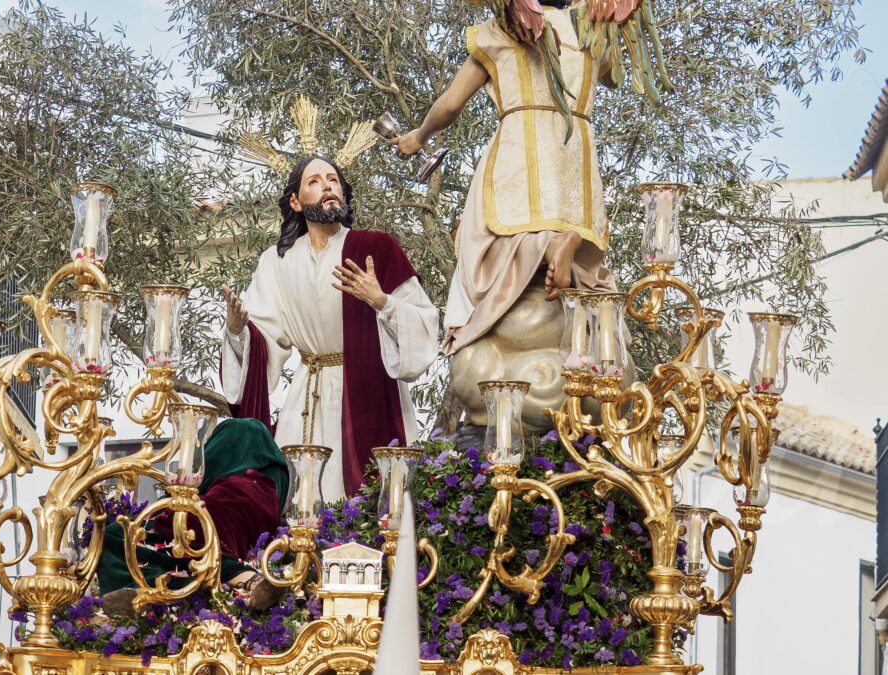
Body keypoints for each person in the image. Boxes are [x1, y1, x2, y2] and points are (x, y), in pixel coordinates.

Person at [391, 0, 621, 355]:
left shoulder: (503, 28)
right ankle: (561, 254)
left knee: (483, 242)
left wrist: (419, 136)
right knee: (581, 268)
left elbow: (451, 103)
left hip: (521, 152)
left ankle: (550, 247)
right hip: (577, 163)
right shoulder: (589, 32)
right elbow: (614, 78)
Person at [220, 155, 440, 501]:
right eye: (314, 181)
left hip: (367, 401)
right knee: (297, 504)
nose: (327, 187)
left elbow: (425, 323)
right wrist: (238, 332)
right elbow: (263, 339)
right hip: (306, 398)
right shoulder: (276, 262)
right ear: (295, 202)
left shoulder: (376, 248)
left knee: (369, 506)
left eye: (333, 179)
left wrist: (382, 302)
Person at [97, 418, 290, 611]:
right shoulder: (275, 479)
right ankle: (249, 581)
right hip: (250, 536)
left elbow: (196, 478)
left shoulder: (241, 432)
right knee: (204, 551)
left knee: (117, 534)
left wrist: (168, 498)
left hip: (203, 519)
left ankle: (148, 588)